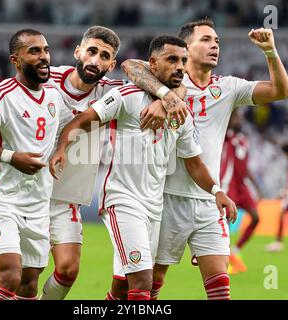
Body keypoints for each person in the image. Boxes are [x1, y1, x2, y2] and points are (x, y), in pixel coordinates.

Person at [49, 35, 237, 300]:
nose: (180, 67)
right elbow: (82, 122)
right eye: (172, 60)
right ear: (153, 63)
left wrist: (217, 190)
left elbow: (194, 162)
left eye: (183, 60)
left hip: (154, 206)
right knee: (142, 281)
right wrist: (61, 149)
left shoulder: (181, 113)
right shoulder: (126, 96)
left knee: (123, 287)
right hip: (122, 199)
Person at [121, 18, 288, 300]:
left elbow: (281, 91)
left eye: (217, 42)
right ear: (185, 49)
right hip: (165, 197)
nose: (214, 45)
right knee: (151, 283)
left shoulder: (228, 87)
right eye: (206, 40)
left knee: (220, 288)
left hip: (210, 198)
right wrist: (166, 95)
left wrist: (270, 51)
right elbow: (129, 66)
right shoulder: (169, 81)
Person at [0, 29, 65, 300]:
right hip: (1, 198)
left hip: (38, 202)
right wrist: (11, 157)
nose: (44, 57)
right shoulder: (1, 94)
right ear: (15, 60)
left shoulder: (54, 93)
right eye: (34, 51)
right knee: (9, 276)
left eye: (46, 50)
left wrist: (62, 149)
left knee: (29, 284)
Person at [39, 26, 124, 300]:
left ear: (112, 65)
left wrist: (165, 98)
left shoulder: (113, 93)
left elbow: (145, 72)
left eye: (104, 56)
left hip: (64, 198)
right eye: (91, 51)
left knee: (68, 270)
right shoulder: (45, 78)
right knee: (21, 274)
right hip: (27, 192)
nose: (95, 60)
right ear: (78, 51)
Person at [220, 109, 263, 274]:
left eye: (240, 117)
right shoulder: (226, 136)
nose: (240, 120)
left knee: (256, 218)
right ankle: (226, 260)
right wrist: (230, 114)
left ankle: (236, 250)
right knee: (226, 225)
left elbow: (245, 166)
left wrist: (256, 186)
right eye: (236, 117)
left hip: (242, 186)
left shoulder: (244, 140)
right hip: (228, 185)